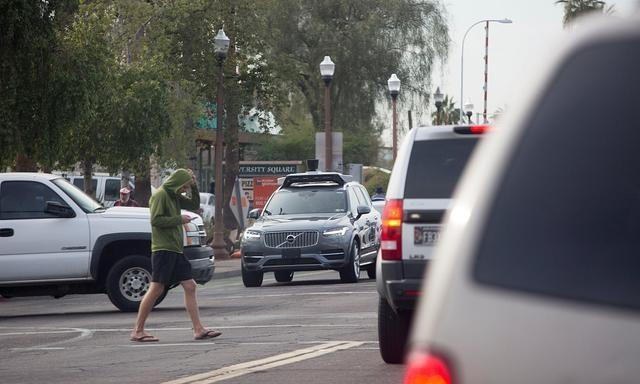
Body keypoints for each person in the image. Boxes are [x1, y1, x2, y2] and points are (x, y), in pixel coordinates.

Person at [130, 168, 221, 342]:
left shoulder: (173, 195)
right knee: (156, 288)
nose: (184, 189)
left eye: (186, 187)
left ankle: (198, 329)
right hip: (163, 249)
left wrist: (194, 186)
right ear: (177, 182)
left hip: (176, 249)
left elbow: (194, 205)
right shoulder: (161, 195)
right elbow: (155, 220)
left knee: (190, 285)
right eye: (184, 186)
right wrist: (180, 219)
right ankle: (138, 330)